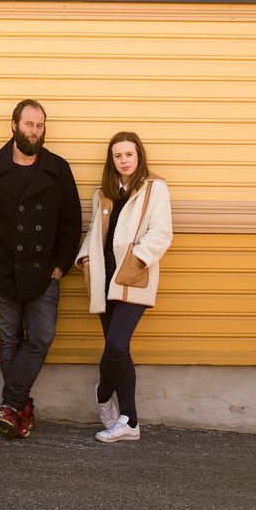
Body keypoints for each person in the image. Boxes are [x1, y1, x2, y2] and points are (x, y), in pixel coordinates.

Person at [0, 99, 81, 440]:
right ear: (14, 126)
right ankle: (19, 410)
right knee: (9, 339)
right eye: (29, 124)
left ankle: (10, 407)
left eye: (40, 125)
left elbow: (71, 223)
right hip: (0, 273)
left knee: (40, 337)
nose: (35, 131)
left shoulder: (58, 169)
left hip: (44, 275)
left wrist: (59, 267)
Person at [75, 130, 172, 443]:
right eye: (118, 155)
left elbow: (161, 233)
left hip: (133, 278)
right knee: (122, 351)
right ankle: (129, 422)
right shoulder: (103, 192)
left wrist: (137, 259)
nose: (124, 160)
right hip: (104, 279)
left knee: (116, 344)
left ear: (139, 155)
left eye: (129, 154)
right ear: (111, 159)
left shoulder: (154, 188)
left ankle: (104, 395)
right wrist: (86, 259)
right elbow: (93, 231)